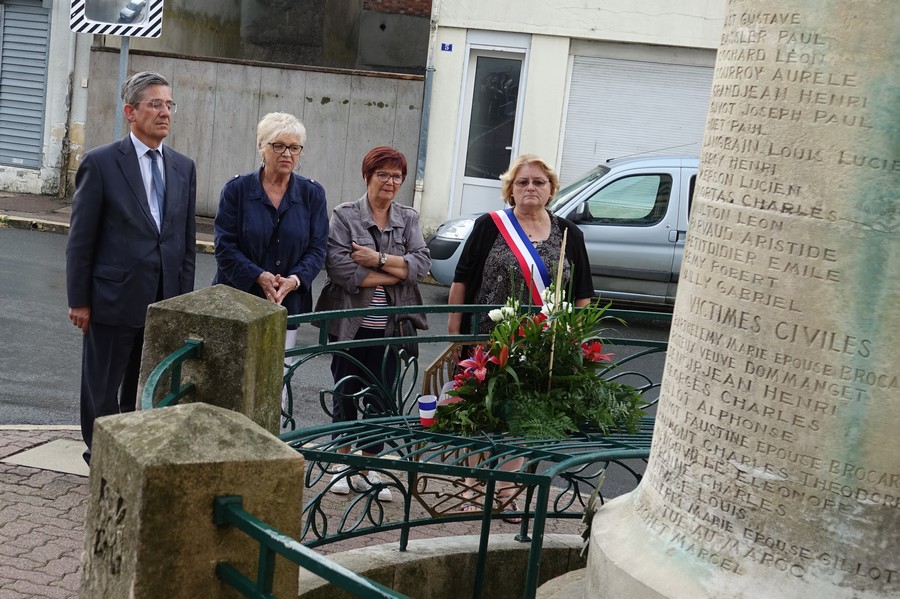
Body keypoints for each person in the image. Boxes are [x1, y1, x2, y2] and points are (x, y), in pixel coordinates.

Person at [447, 154, 593, 521]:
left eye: (539, 182)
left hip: (544, 344)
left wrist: (574, 338)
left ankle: (507, 489)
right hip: (488, 340)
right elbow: (461, 280)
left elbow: (582, 293)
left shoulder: (569, 233)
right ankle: (475, 485)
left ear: (551, 190)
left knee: (525, 415)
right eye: (522, 182)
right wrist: (455, 334)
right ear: (510, 189)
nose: (530, 188)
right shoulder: (490, 226)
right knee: (481, 411)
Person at [66, 71, 197, 466]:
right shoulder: (102, 163)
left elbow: (185, 243)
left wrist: (182, 302)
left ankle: (137, 458)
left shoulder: (183, 167)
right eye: (155, 104)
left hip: (162, 301)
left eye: (169, 104)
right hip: (112, 299)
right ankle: (102, 458)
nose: (165, 112)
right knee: (102, 387)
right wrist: (79, 300)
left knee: (147, 388)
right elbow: (81, 239)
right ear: (130, 111)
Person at [316, 146, 431, 502]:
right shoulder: (345, 215)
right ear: (367, 176)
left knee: (381, 399)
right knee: (346, 393)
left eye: (397, 176)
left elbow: (421, 264)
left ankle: (367, 469)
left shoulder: (408, 218)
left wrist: (377, 259)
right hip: (350, 324)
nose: (390, 182)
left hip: (391, 327)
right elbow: (340, 269)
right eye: (383, 174)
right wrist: (396, 271)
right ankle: (341, 465)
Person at [212, 112, 328, 414]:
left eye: (294, 147)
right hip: (237, 301)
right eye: (279, 146)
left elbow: (317, 248)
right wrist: (258, 276)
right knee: (233, 383)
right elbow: (224, 246)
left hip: (286, 304)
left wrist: (294, 280)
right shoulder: (237, 190)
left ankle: (271, 440)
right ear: (261, 147)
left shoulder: (312, 194)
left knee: (276, 386)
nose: (287, 153)